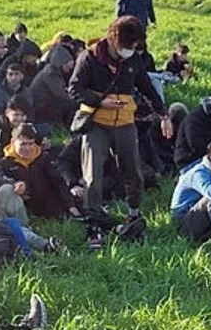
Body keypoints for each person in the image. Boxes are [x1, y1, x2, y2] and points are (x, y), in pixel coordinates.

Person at [68, 16, 169, 250]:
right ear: (114, 39)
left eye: (134, 47)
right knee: (93, 175)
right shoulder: (90, 58)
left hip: (125, 123)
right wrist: (100, 102)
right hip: (97, 123)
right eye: (127, 46)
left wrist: (163, 114)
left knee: (133, 171)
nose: (130, 50)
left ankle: (133, 214)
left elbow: (147, 87)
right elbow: (74, 89)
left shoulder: (133, 61)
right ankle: (94, 225)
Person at [0, 123, 81, 222]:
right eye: (23, 144)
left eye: (31, 144)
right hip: (21, 210)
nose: (27, 149)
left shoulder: (44, 158)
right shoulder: (4, 164)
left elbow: (59, 182)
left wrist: (70, 205)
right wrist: (15, 185)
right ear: (13, 142)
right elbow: (0, 181)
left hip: (49, 208)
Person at [29, 44, 77, 127]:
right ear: (61, 63)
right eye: (67, 65)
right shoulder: (50, 74)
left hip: (45, 106)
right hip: (41, 110)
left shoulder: (53, 72)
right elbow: (61, 95)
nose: (69, 69)